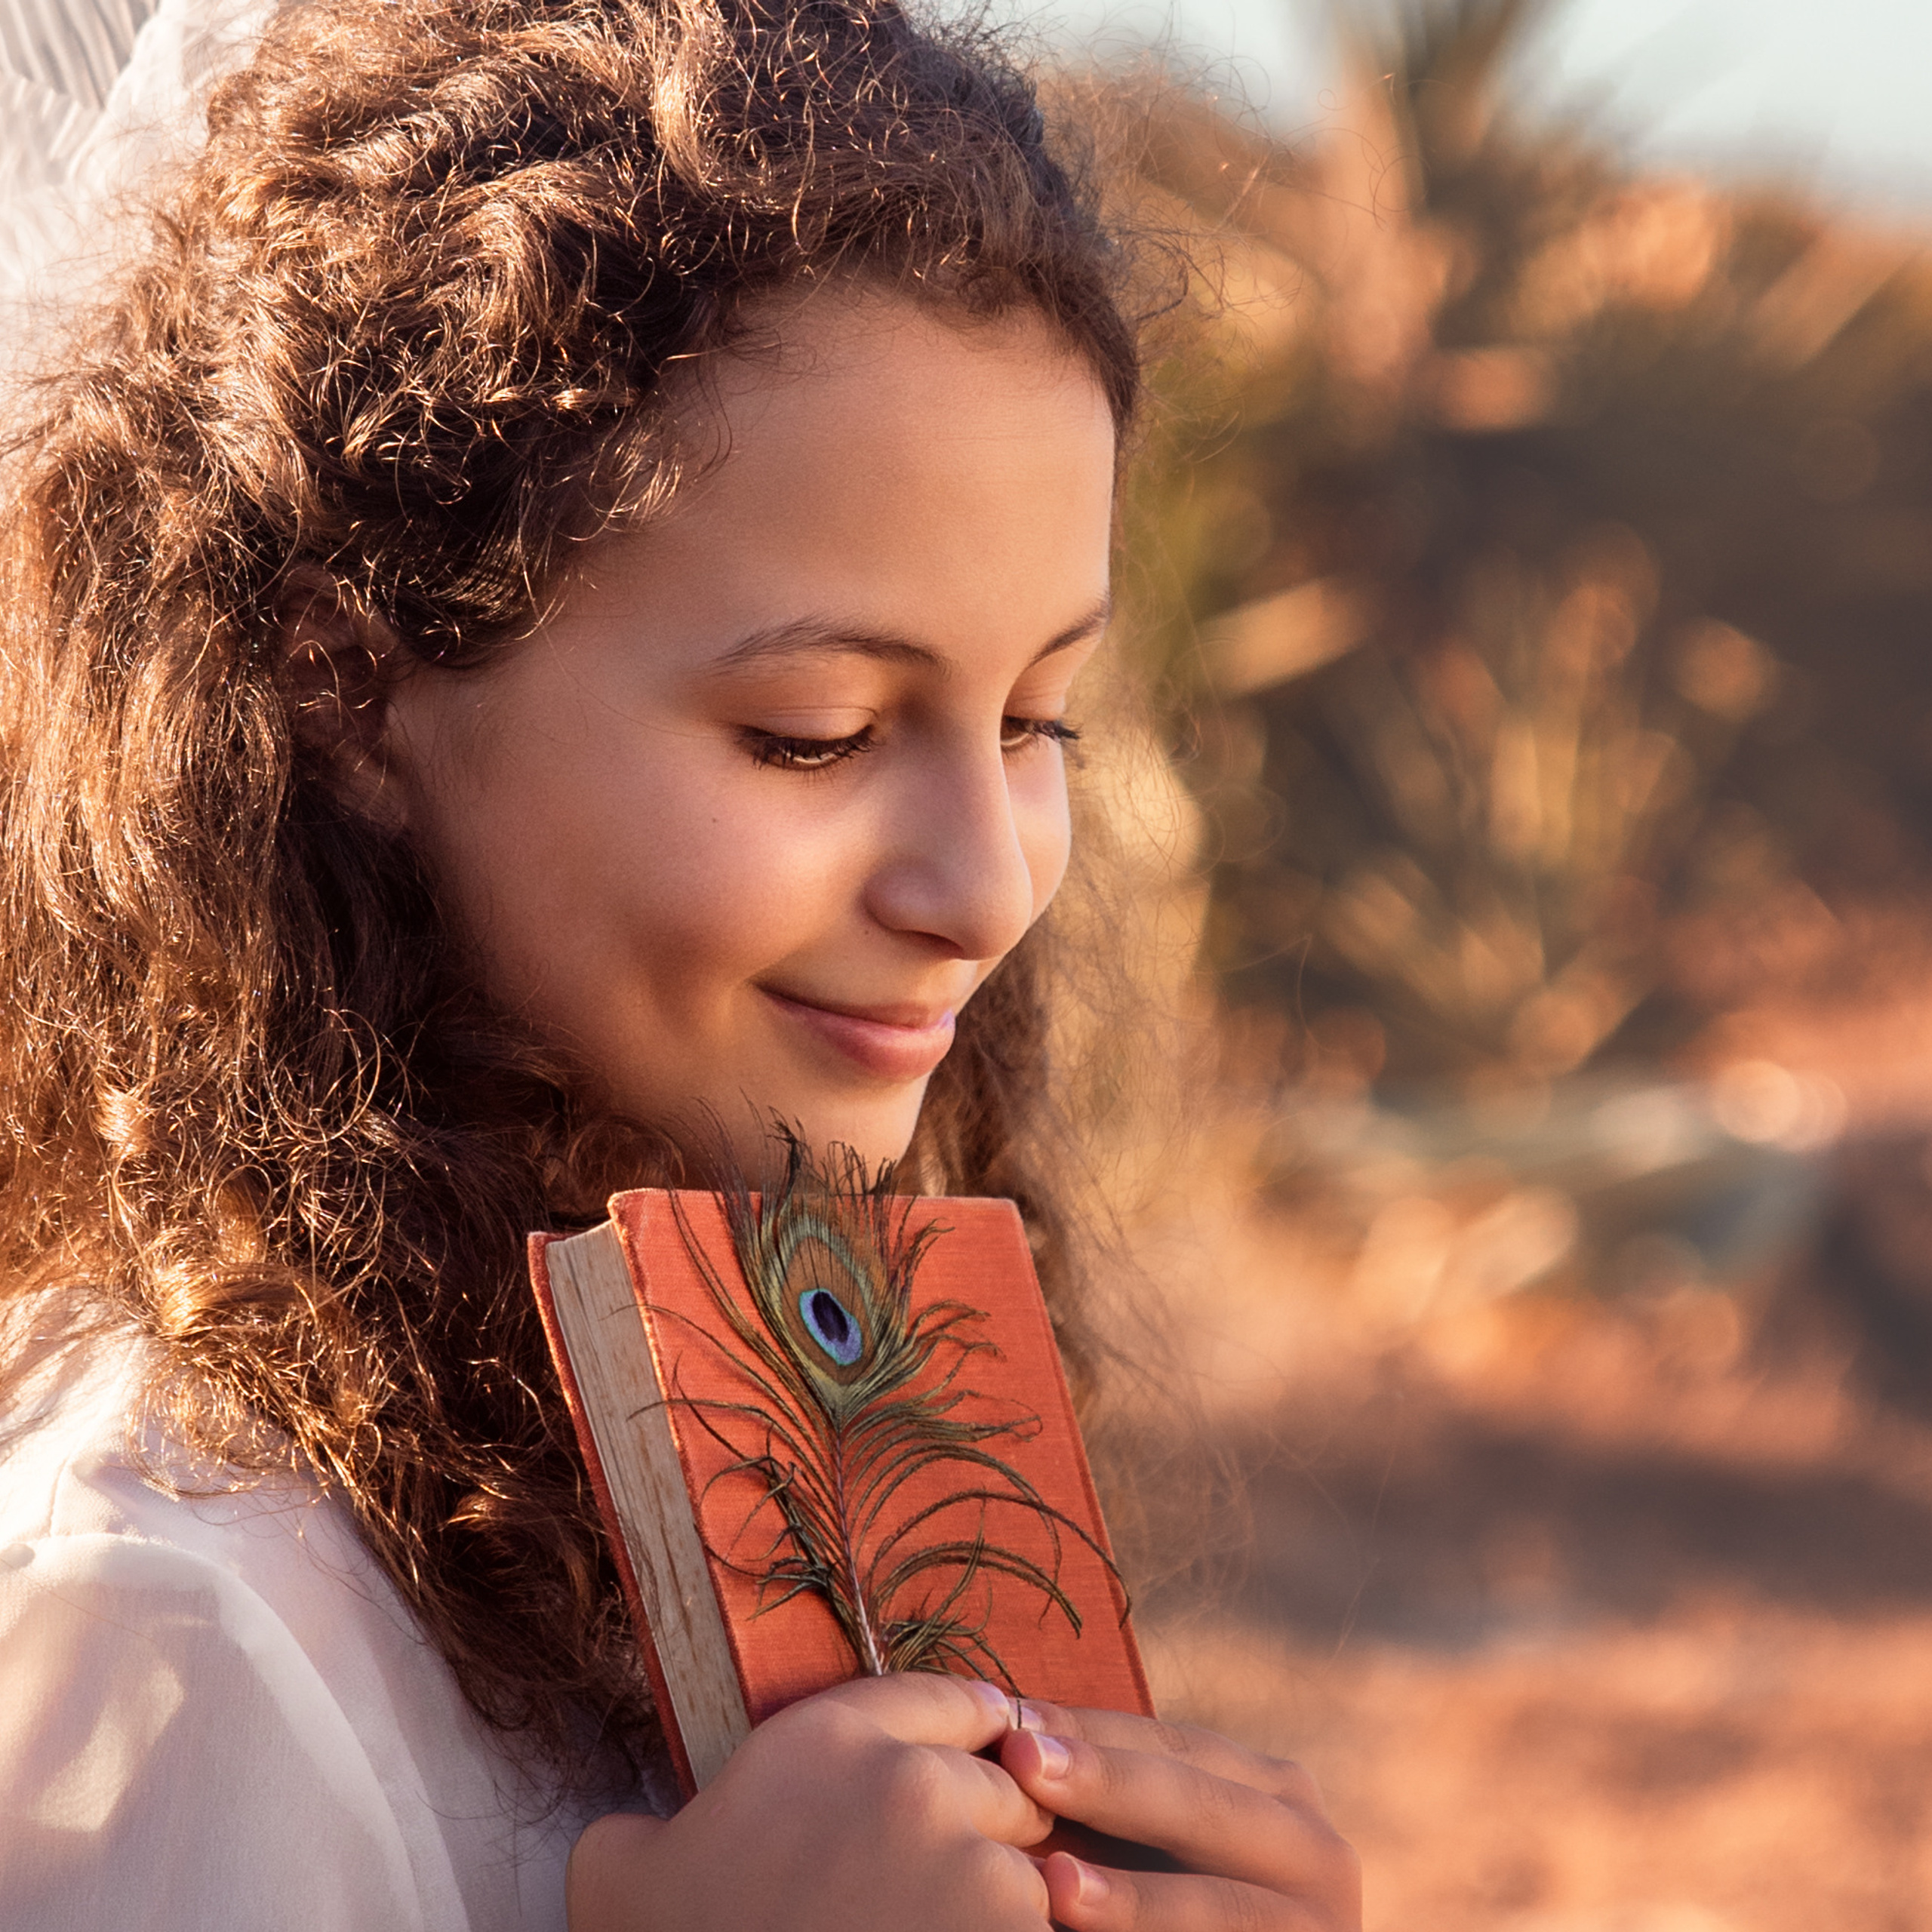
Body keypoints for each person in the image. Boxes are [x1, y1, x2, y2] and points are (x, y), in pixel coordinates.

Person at [0, 0, 1363, 1927]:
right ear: (347, 687)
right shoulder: (161, 1611)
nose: (986, 890)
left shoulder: (703, 1405)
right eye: (815, 733)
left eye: (1034, 720)